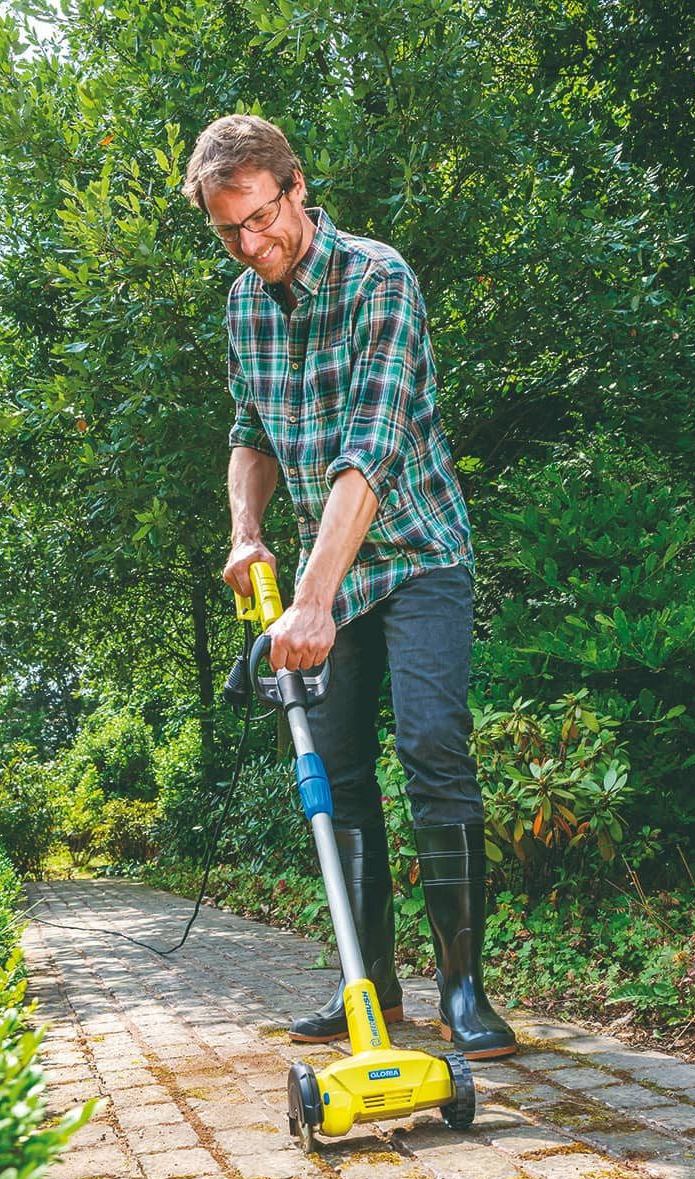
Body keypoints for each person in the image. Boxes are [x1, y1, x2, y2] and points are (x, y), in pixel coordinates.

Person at [182, 114, 516, 1060]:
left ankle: (462, 990)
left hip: (415, 557)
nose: (252, 246)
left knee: (432, 747)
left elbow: (367, 452)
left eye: (259, 219)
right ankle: (370, 988)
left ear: (295, 189)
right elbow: (250, 431)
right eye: (228, 233)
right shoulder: (246, 307)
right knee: (337, 776)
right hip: (316, 579)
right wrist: (247, 533)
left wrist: (317, 598)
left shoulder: (379, 279)